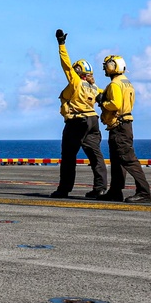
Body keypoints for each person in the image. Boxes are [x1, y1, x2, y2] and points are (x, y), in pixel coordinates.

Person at [51, 29, 108, 199]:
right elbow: (105, 97)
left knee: (68, 156)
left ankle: (64, 189)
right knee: (96, 155)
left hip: (77, 121)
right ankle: (100, 188)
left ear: (78, 71)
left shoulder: (76, 82)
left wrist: (61, 44)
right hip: (93, 120)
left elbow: (65, 64)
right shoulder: (93, 87)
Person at [97, 54, 151, 203]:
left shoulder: (115, 84)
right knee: (117, 161)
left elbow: (114, 104)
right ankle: (115, 191)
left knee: (128, 160)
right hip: (124, 124)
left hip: (119, 126)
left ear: (112, 66)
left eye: (106, 65)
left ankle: (144, 192)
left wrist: (103, 103)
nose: (104, 68)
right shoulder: (126, 82)